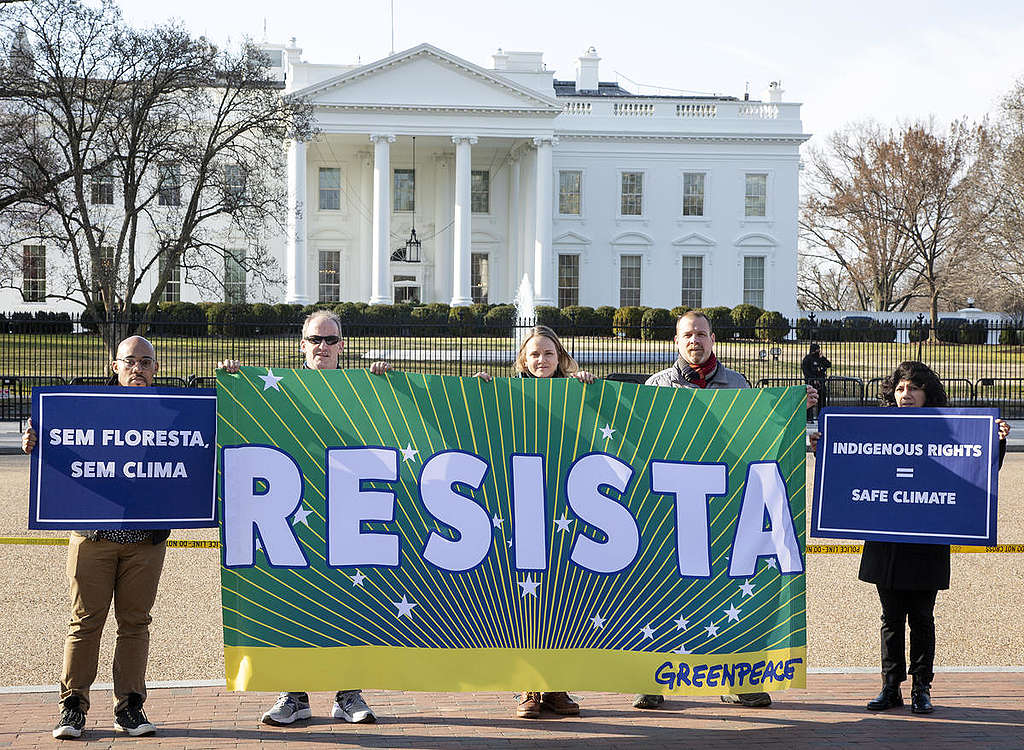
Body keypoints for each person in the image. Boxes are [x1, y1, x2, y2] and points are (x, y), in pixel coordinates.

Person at [635, 310, 818, 711]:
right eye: (687, 335)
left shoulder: (736, 383)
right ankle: (651, 678)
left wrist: (794, 407)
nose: (694, 341)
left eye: (701, 334)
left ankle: (735, 677)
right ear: (676, 340)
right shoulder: (657, 385)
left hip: (724, 505)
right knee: (663, 588)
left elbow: (761, 431)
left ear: (713, 338)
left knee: (726, 590)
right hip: (671, 504)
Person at [218, 309, 389, 727]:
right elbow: (241, 423)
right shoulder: (278, 389)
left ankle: (348, 693)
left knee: (351, 600)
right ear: (302, 345)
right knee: (292, 596)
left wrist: (388, 383)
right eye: (316, 340)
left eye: (331, 340)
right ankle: (293, 694)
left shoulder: (361, 388)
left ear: (342, 345)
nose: (323, 347)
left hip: (349, 512)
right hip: (292, 513)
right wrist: (235, 382)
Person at [812, 361, 1010, 715]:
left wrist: (995, 441)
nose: (906, 395)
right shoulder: (875, 426)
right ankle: (891, 686)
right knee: (890, 618)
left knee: (921, 616)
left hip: (927, 539)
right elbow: (849, 463)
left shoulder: (950, 429)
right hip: (886, 539)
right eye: (901, 388)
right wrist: (822, 445)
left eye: (914, 388)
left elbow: (977, 471)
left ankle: (922, 686)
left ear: (927, 393)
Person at [23, 336, 168, 739]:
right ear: (114, 365)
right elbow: (60, 449)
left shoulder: (175, 412)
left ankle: (131, 707)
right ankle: (72, 708)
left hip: (146, 541)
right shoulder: (86, 408)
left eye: (145, 362)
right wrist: (35, 444)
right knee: (85, 621)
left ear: (155, 368)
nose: (137, 368)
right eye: (129, 361)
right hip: (94, 536)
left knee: (135, 623)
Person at [474, 325, 594, 719]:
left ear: (560, 356)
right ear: (523, 361)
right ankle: (528, 689)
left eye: (548, 353)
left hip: (565, 513)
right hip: (520, 512)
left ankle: (557, 687)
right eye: (534, 354)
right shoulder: (507, 395)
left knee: (562, 599)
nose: (541, 360)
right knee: (524, 604)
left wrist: (589, 389)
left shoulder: (577, 392)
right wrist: (478, 391)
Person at [801, 343, 831, 421]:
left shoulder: (820, 358)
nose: (818, 351)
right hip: (811, 383)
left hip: (821, 382)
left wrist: (822, 358)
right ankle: (809, 418)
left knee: (822, 401)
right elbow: (806, 371)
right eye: (817, 350)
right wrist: (813, 379)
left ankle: (821, 417)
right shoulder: (807, 359)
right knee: (811, 400)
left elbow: (828, 364)